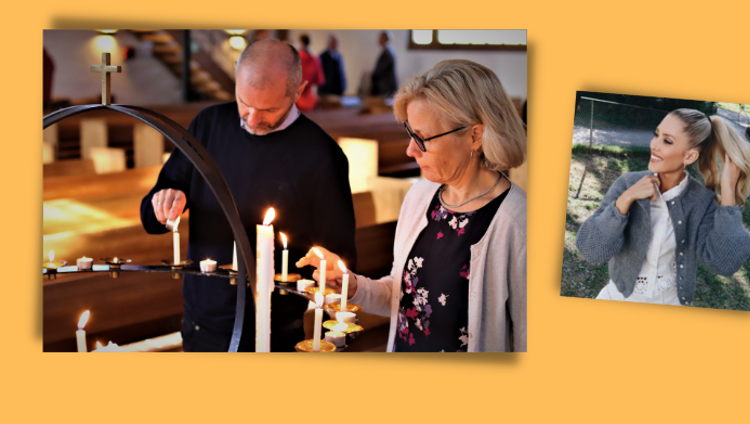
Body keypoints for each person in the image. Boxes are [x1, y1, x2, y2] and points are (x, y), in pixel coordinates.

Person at [140, 39, 356, 352]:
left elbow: (339, 259)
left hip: (275, 328)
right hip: (201, 319)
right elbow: (151, 217)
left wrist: (328, 272)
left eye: (269, 109)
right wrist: (163, 202)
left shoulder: (322, 155)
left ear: (298, 91)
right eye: (244, 102)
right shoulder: (208, 125)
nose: (252, 119)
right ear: (236, 76)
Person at [298, 60, 527, 352]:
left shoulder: (517, 222)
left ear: (475, 135)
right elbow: (401, 295)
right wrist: (352, 285)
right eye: (410, 133)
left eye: (423, 137)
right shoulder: (420, 196)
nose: (410, 149)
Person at [576, 108, 750, 306]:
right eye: (656, 135)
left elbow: (725, 264)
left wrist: (728, 191)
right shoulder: (627, 184)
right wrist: (626, 199)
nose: (654, 144)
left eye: (667, 141)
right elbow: (591, 251)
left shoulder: (702, 201)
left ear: (690, 157)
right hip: (617, 298)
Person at [296, 34, 325, 111]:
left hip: (297, 98)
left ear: (300, 42)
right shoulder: (315, 59)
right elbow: (320, 80)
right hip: (310, 98)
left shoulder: (295, 58)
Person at [370, 31, 398, 97]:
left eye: (380, 38)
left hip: (386, 86)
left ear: (385, 38)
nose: (378, 40)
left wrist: (373, 75)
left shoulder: (388, 52)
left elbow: (381, 69)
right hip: (384, 86)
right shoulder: (386, 51)